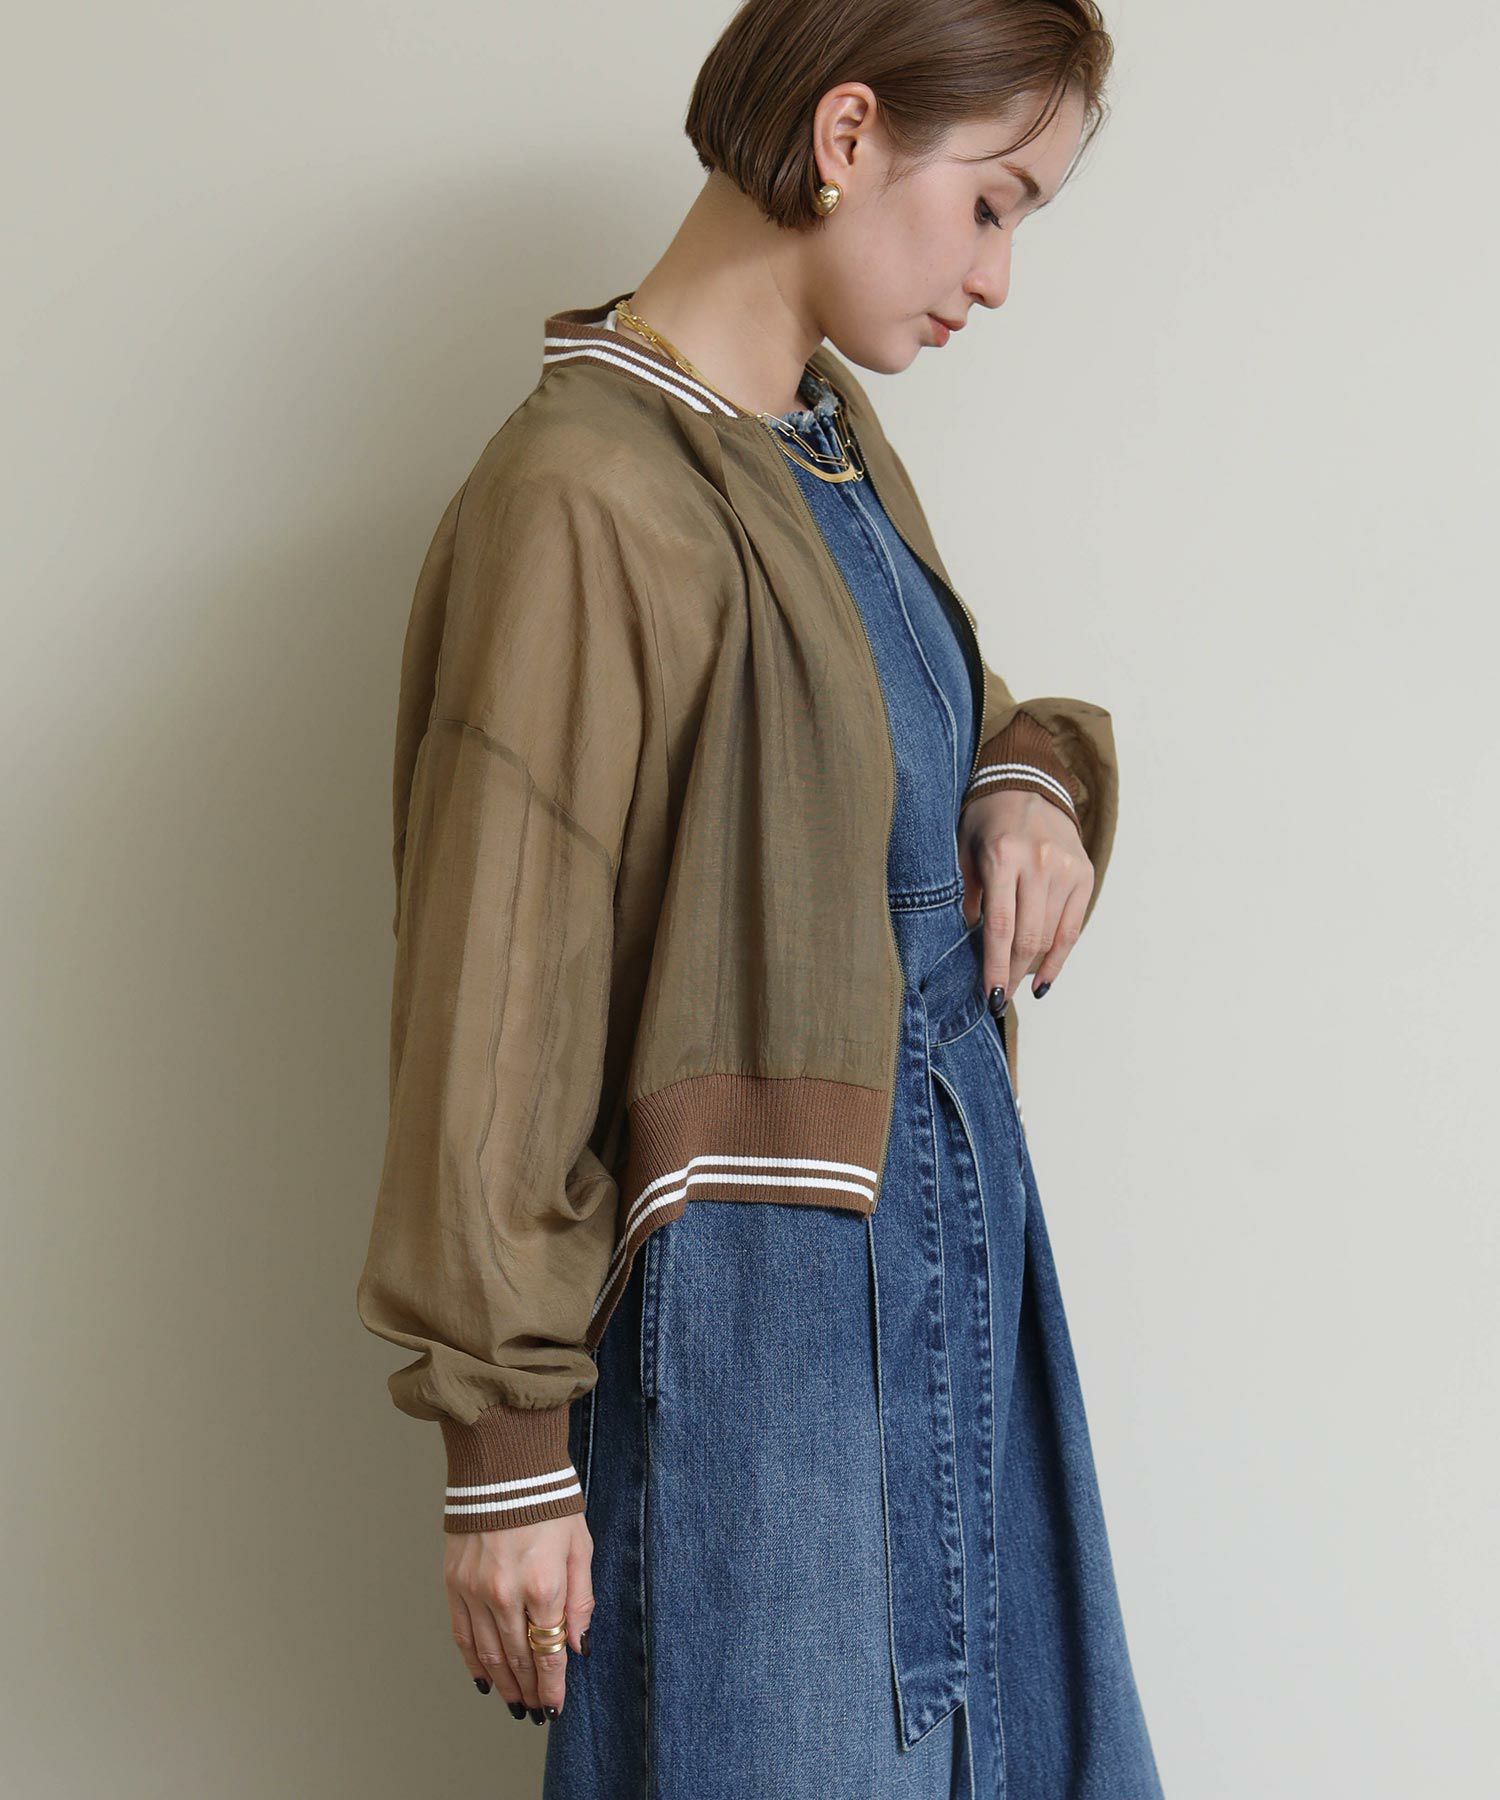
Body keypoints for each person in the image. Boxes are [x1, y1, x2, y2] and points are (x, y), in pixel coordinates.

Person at [356, 1, 1165, 1793]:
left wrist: (1029, 782)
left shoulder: (819, 440)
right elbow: (495, 1007)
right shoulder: (582, 495)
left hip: (949, 1277)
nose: (999, 275)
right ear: (849, 134)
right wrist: (505, 1461)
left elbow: (885, 765)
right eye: (992, 204)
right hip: (759, 1347)